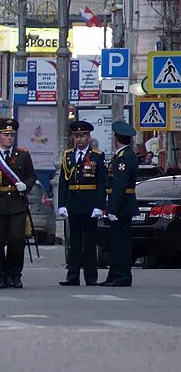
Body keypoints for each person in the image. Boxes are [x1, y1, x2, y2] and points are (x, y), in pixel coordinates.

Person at [0, 118, 37, 289]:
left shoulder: (22, 155)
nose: (9, 138)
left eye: (12, 135)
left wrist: (26, 186)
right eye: (6, 135)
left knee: (16, 241)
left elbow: (31, 176)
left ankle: (15, 275)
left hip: (16, 204)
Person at [57, 121, 107, 287]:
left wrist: (100, 205)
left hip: (90, 203)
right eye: (76, 136)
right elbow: (63, 181)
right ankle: (73, 276)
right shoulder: (68, 156)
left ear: (88, 137)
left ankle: (91, 277)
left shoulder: (97, 156)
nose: (79, 139)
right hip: (73, 203)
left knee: (90, 242)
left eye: (83, 136)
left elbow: (101, 183)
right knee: (74, 242)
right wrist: (62, 204)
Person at [101, 121, 139, 287]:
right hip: (123, 205)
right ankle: (114, 275)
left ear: (116, 138)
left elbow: (119, 185)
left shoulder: (124, 158)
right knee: (117, 242)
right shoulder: (124, 155)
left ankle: (121, 275)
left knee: (120, 243)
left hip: (122, 206)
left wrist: (113, 208)